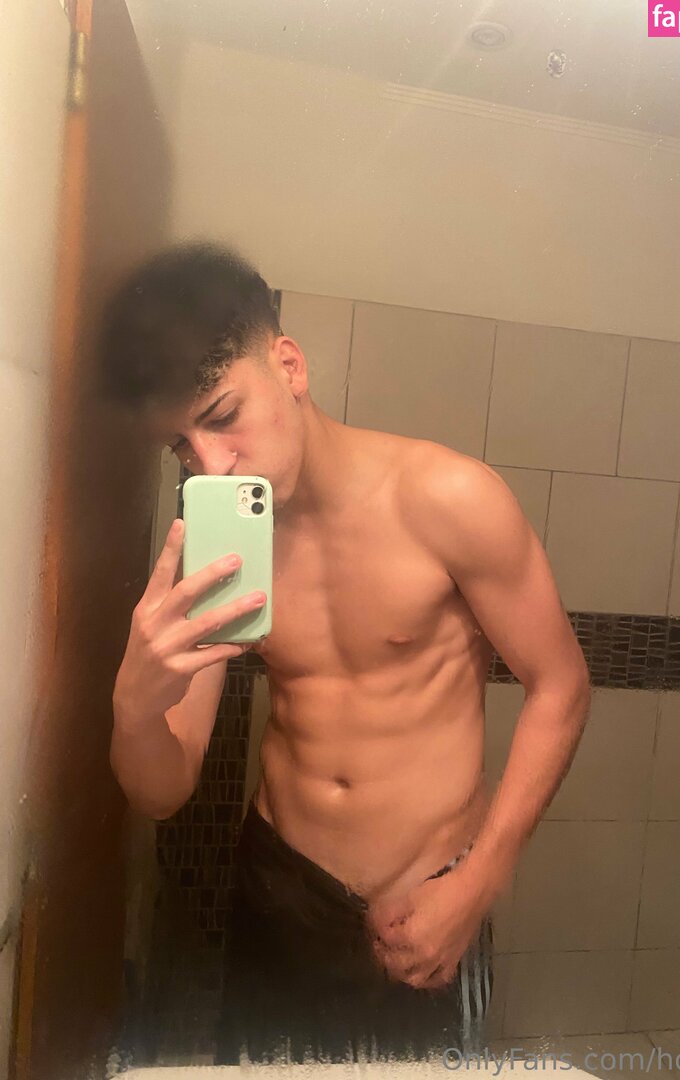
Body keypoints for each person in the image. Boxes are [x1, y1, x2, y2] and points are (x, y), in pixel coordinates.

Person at [101, 242, 592, 1065]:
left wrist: (478, 882)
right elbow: (162, 788)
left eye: (222, 416)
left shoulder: (447, 499)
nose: (211, 464)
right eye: (182, 447)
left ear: (288, 365)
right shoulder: (222, 545)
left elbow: (562, 686)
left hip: (430, 900)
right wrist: (134, 708)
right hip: (279, 892)